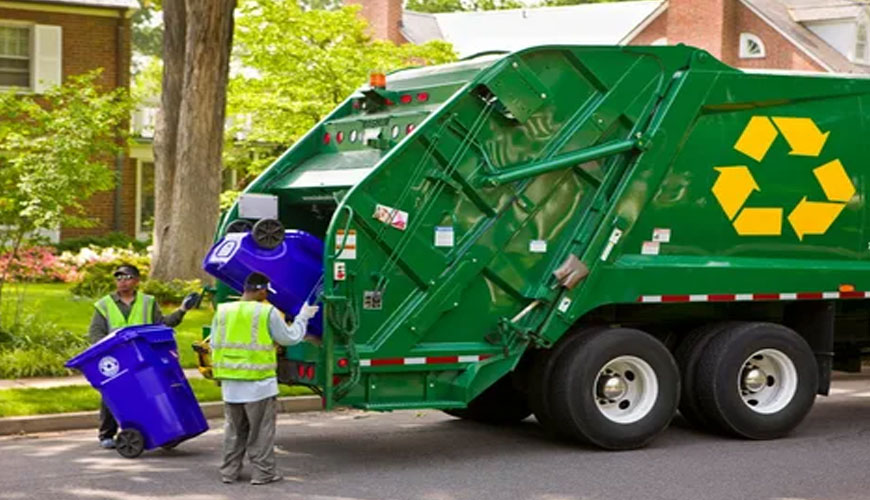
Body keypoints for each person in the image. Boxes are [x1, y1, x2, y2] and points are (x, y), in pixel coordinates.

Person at [212, 271, 319, 486]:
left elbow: (215, 343)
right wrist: (303, 317)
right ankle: (263, 473)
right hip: (258, 384)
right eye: (266, 292)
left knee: (234, 431)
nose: (267, 296)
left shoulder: (223, 311)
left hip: (231, 383)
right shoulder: (266, 312)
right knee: (261, 432)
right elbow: (289, 338)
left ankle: (229, 472)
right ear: (261, 291)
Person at [88, 264, 199, 449]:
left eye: (127, 277)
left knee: (149, 393)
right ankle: (107, 434)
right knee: (113, 393)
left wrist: (182, 310)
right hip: (117, 357)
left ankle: (158, 431)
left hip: (142, 357)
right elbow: (95, 333)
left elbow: (161, 325)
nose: (122, 281)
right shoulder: (104, 304)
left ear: (136, 281)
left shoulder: (148, 302)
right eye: (118, 278)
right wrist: (106, 349)